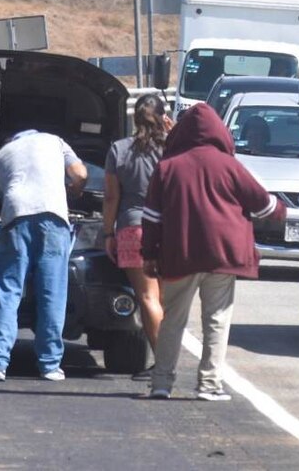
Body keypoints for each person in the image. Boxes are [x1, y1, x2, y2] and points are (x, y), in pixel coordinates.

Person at [141, 104, 285, 401]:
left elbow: (152, 218)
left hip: (179, 254)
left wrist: (149, 254)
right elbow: (265, 206)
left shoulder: (168, 166)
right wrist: (282, 211)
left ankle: (161, 383)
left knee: (173, 320)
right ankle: (209, 385)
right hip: (223, 254)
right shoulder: (229, 165)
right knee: (217, 319)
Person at [0, 129, 88, 382]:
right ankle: (50, 365)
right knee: (52, 292)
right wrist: (74, 192)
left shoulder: (2, 154)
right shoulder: (56, 141)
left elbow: (0, 196)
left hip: (16, 215)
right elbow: (80, 173)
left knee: (8, 291)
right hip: (53, 216)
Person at [103, 94, 174, 381]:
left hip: (133, 228)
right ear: (163, 117)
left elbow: (111, 197)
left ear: (134, 119)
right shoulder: (173, 150)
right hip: (170, 229)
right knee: (167, 300)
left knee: (147, 297)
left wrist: (108, 233)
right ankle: (168, 360)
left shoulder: (119, 150)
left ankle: (163, 364)